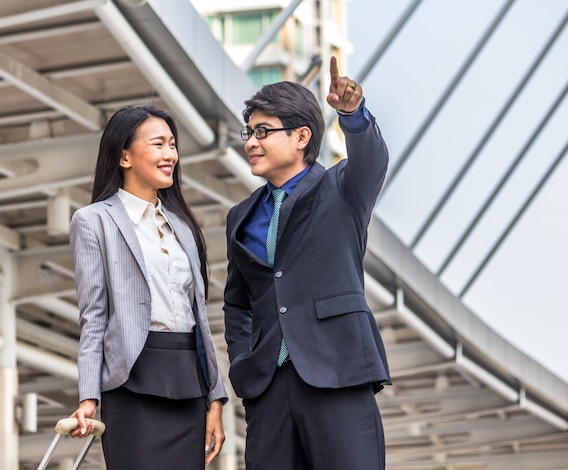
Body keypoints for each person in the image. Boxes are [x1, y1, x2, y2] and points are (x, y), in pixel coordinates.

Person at [223, 56, 391, 469]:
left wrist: (351, 115)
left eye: (263, 132)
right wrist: (243, 361)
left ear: (301, 136)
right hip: (268, 387)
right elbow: (237, 302)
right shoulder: (240, 215)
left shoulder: (342, 189)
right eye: (249, 132)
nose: (251, 142)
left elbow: (372, 160)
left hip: (338, 372)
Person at [67, 104, 228, 469]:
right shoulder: (93, 221)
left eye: (172, 144)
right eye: (158, 144)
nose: (170, 154)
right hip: (133, 383)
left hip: (189, 381)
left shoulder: (183, 227)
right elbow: (93, 315)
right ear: (124, 156)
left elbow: (199, 318)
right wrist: (88, 396)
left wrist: (215, 398)